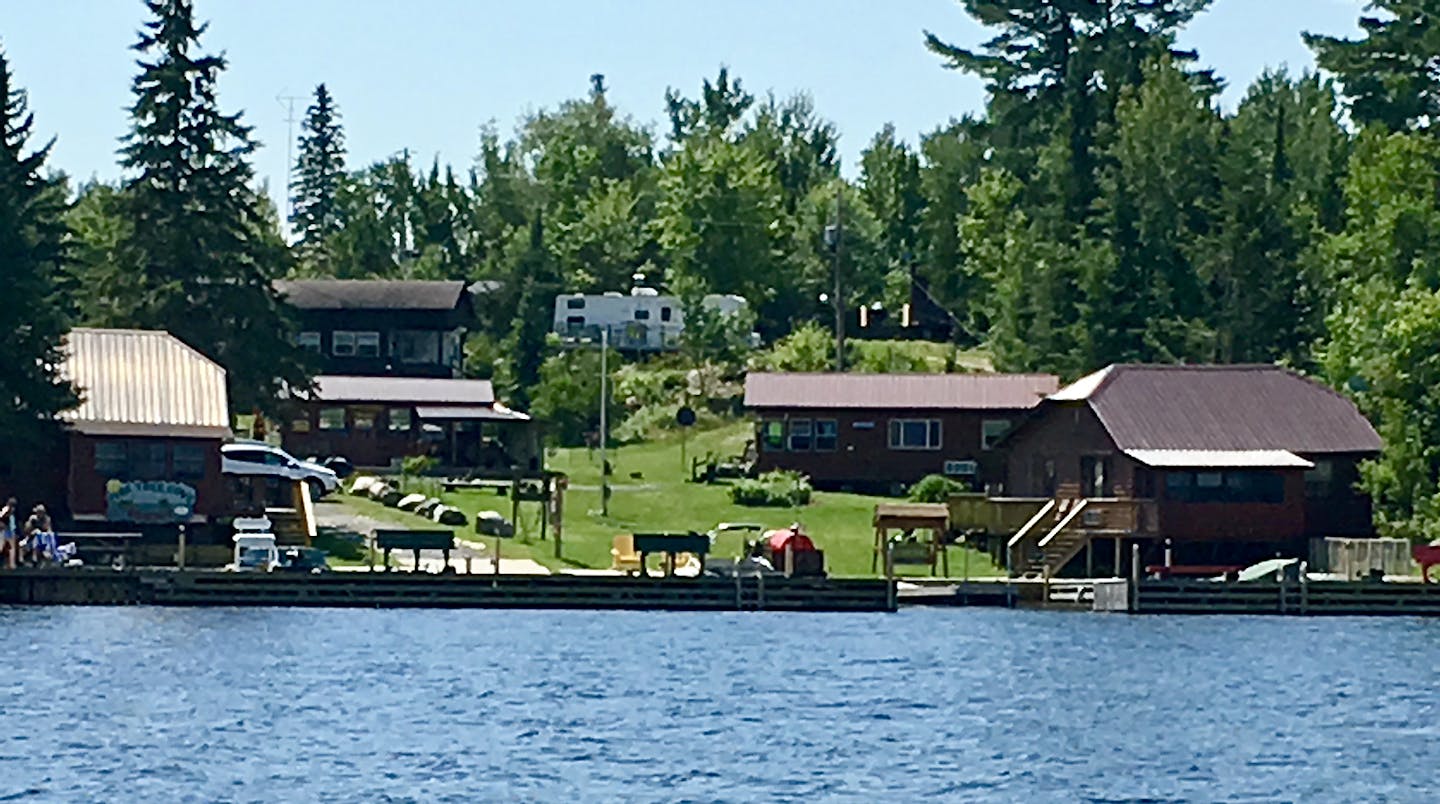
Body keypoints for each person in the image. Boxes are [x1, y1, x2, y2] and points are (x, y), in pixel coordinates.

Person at [1, 498, 17, 570]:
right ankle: (11, 564)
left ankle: (12, 564)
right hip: (4, 530)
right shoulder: (5, 509)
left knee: (11, 547)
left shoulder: (12, 511)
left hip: (10, 530)